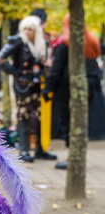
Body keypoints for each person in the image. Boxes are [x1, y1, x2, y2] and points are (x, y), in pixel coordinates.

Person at [44, 14, 105, 169]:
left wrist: (48, 88)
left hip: (68, 87)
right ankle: (78, 157)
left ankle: (74, 159)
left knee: (68, 122)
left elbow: (56, 69)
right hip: (90, 85)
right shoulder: (91, 41)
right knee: (80, 121)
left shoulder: (65, 44)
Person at [0, 15, 56, 162]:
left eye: (31, 29)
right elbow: (0, 58)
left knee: (41, 116)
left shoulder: (40, 43)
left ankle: (41, 149)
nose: (28, 31)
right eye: (25, 29)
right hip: (23, 85)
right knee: (24, 116)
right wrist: (15, 72)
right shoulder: (17, 41)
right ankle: (24, 150)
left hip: (38, 84)